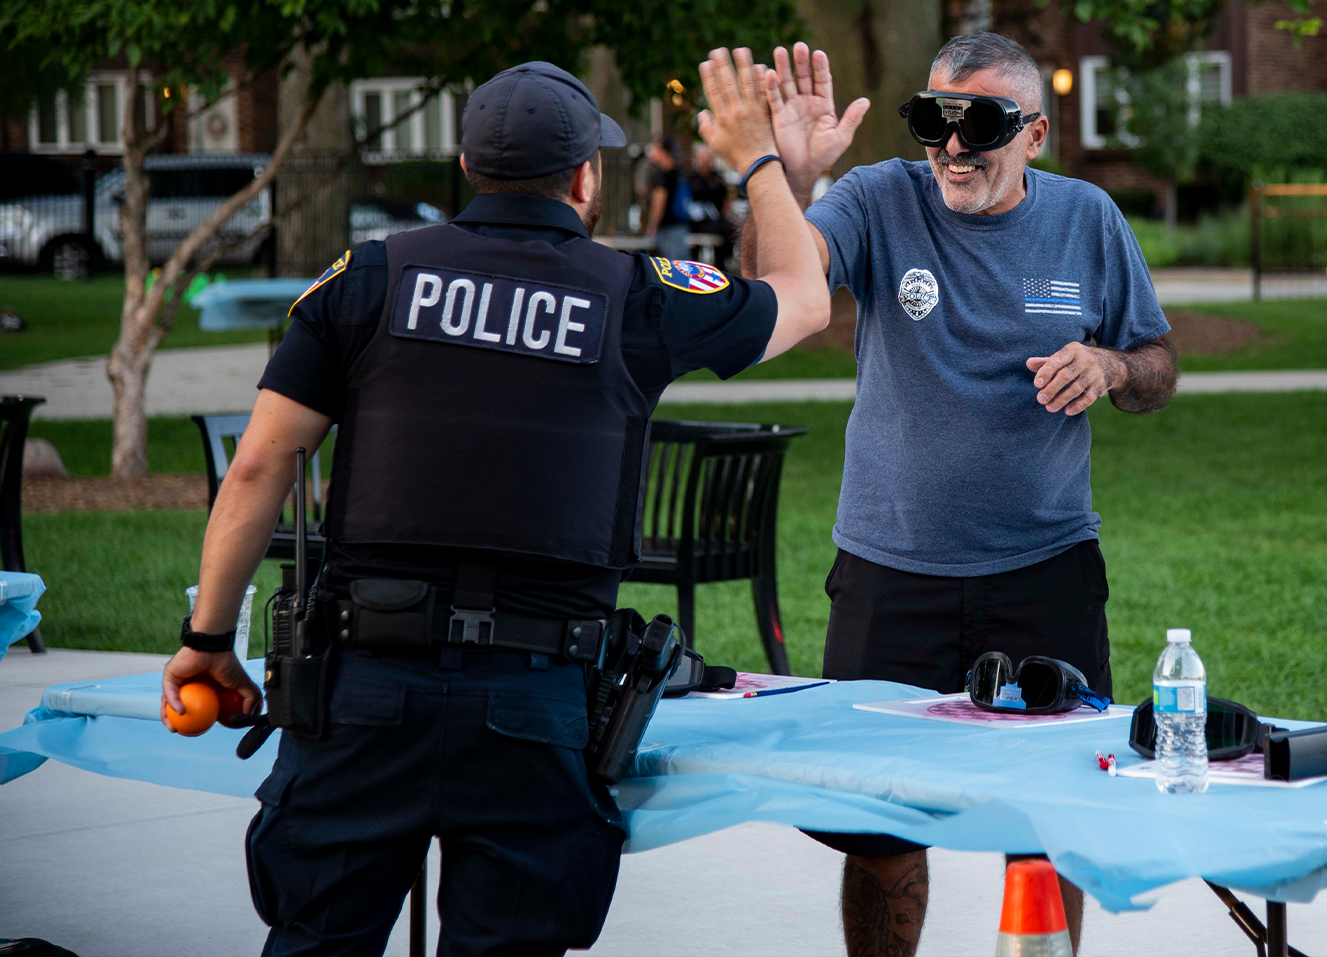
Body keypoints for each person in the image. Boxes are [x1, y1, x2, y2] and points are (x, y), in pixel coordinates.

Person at [160, 52, 829, 955]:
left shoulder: (366, 279)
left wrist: (208, 643)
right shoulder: (638, 298)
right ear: (587, 177)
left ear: (469, 169)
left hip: (362, 691)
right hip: (534, 701)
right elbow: (804, 301)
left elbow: (258, 469)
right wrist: (762, 164)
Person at [738, 33, 1178, 957]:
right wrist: (782, 176)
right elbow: (777, 280)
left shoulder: (1088, 219)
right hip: (892, 569)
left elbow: (1158, 365)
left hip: (1045, 565)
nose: (953, 146)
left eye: (980, 123)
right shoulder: (877, 198)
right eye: (936, 120)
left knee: (1050, 825)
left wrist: (1109, 364)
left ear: (1035, 133)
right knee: (880, 833)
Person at [641, 133, 693, 261]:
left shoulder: (663, 177)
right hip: (681, 228)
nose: (652, 152)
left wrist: (651, 228)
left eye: (656, 149)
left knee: (669, 270)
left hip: (668, 231)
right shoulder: (679, 173)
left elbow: (658, 206)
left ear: (664, 151)